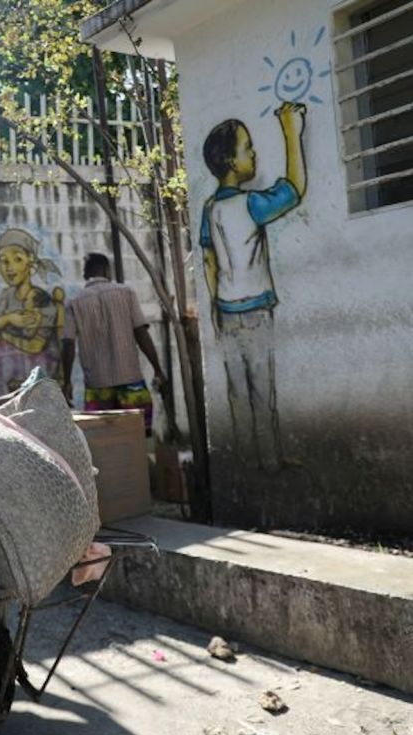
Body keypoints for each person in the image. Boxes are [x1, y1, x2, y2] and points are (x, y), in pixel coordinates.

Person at [200, 103, 306, 472]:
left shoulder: (210, 208)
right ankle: (271, 462)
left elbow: (210, 260)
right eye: (248, 148)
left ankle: (245, 462)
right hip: (256, 310)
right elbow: (294, 189)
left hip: (227, 311)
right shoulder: (250, 204)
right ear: (232, 162)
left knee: (237, 392)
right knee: (263, 391)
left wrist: (214, 308)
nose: (254, 154)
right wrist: (291, 132)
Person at [61, 253, 166, 435]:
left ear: (86, 275)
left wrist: (67, 381)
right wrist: (157, 368)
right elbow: (141, 333)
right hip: (130, 379)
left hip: (97, 384)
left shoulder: (74, 303)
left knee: (103, 439)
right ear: (107, 270)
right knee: (140, 435)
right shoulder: (126, 293)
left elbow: (68, 344)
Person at [0, 228, 65, 396]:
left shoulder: (41, 299)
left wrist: (4, 336)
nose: (10, 268)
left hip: (40, 360)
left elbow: (35, 346)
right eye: (4, 261)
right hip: (15, 355)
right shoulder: (7, 295)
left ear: (30, 261)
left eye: (17, 259)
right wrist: (9, 319)